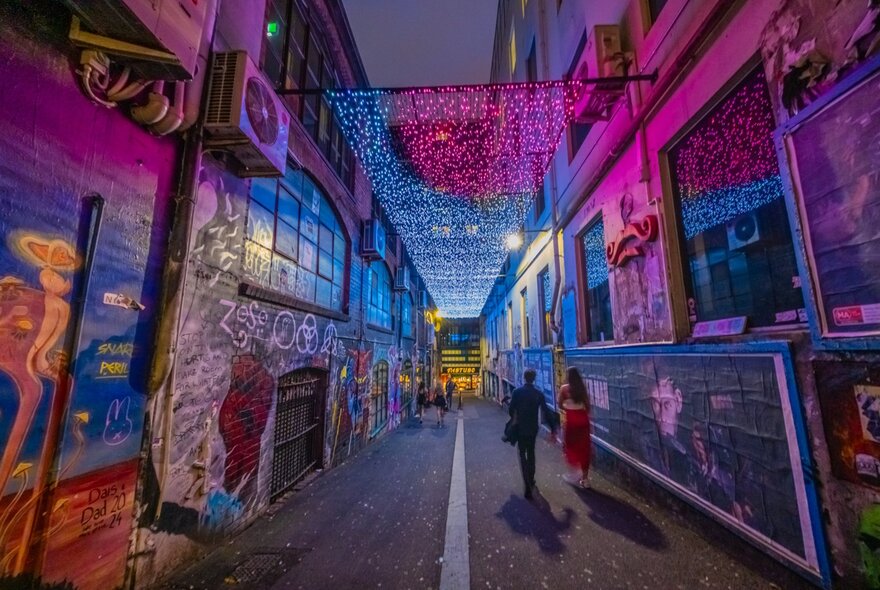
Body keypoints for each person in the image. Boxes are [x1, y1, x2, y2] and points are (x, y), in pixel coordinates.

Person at [509, 368, 558, 499]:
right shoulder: (538, 394)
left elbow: (511, 409)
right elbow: (546, 412)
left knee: (522, 454)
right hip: (532, 428)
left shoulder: (517, 392)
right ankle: (531, 479)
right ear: (534, 378)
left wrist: (514, 418)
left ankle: (527, 483)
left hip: (520, 428)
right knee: (531, 453)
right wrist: (553, 429)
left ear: (524, 378)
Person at [557, 367, 592, 488]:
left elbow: (560, 404)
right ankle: (585, 479)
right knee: (584, 449)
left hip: (572, 421)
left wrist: (568, 407)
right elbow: (587, 406)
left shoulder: (564, 389)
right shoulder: (582, 388)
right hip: (583, 421)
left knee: (570, 446)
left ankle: (574, 473)